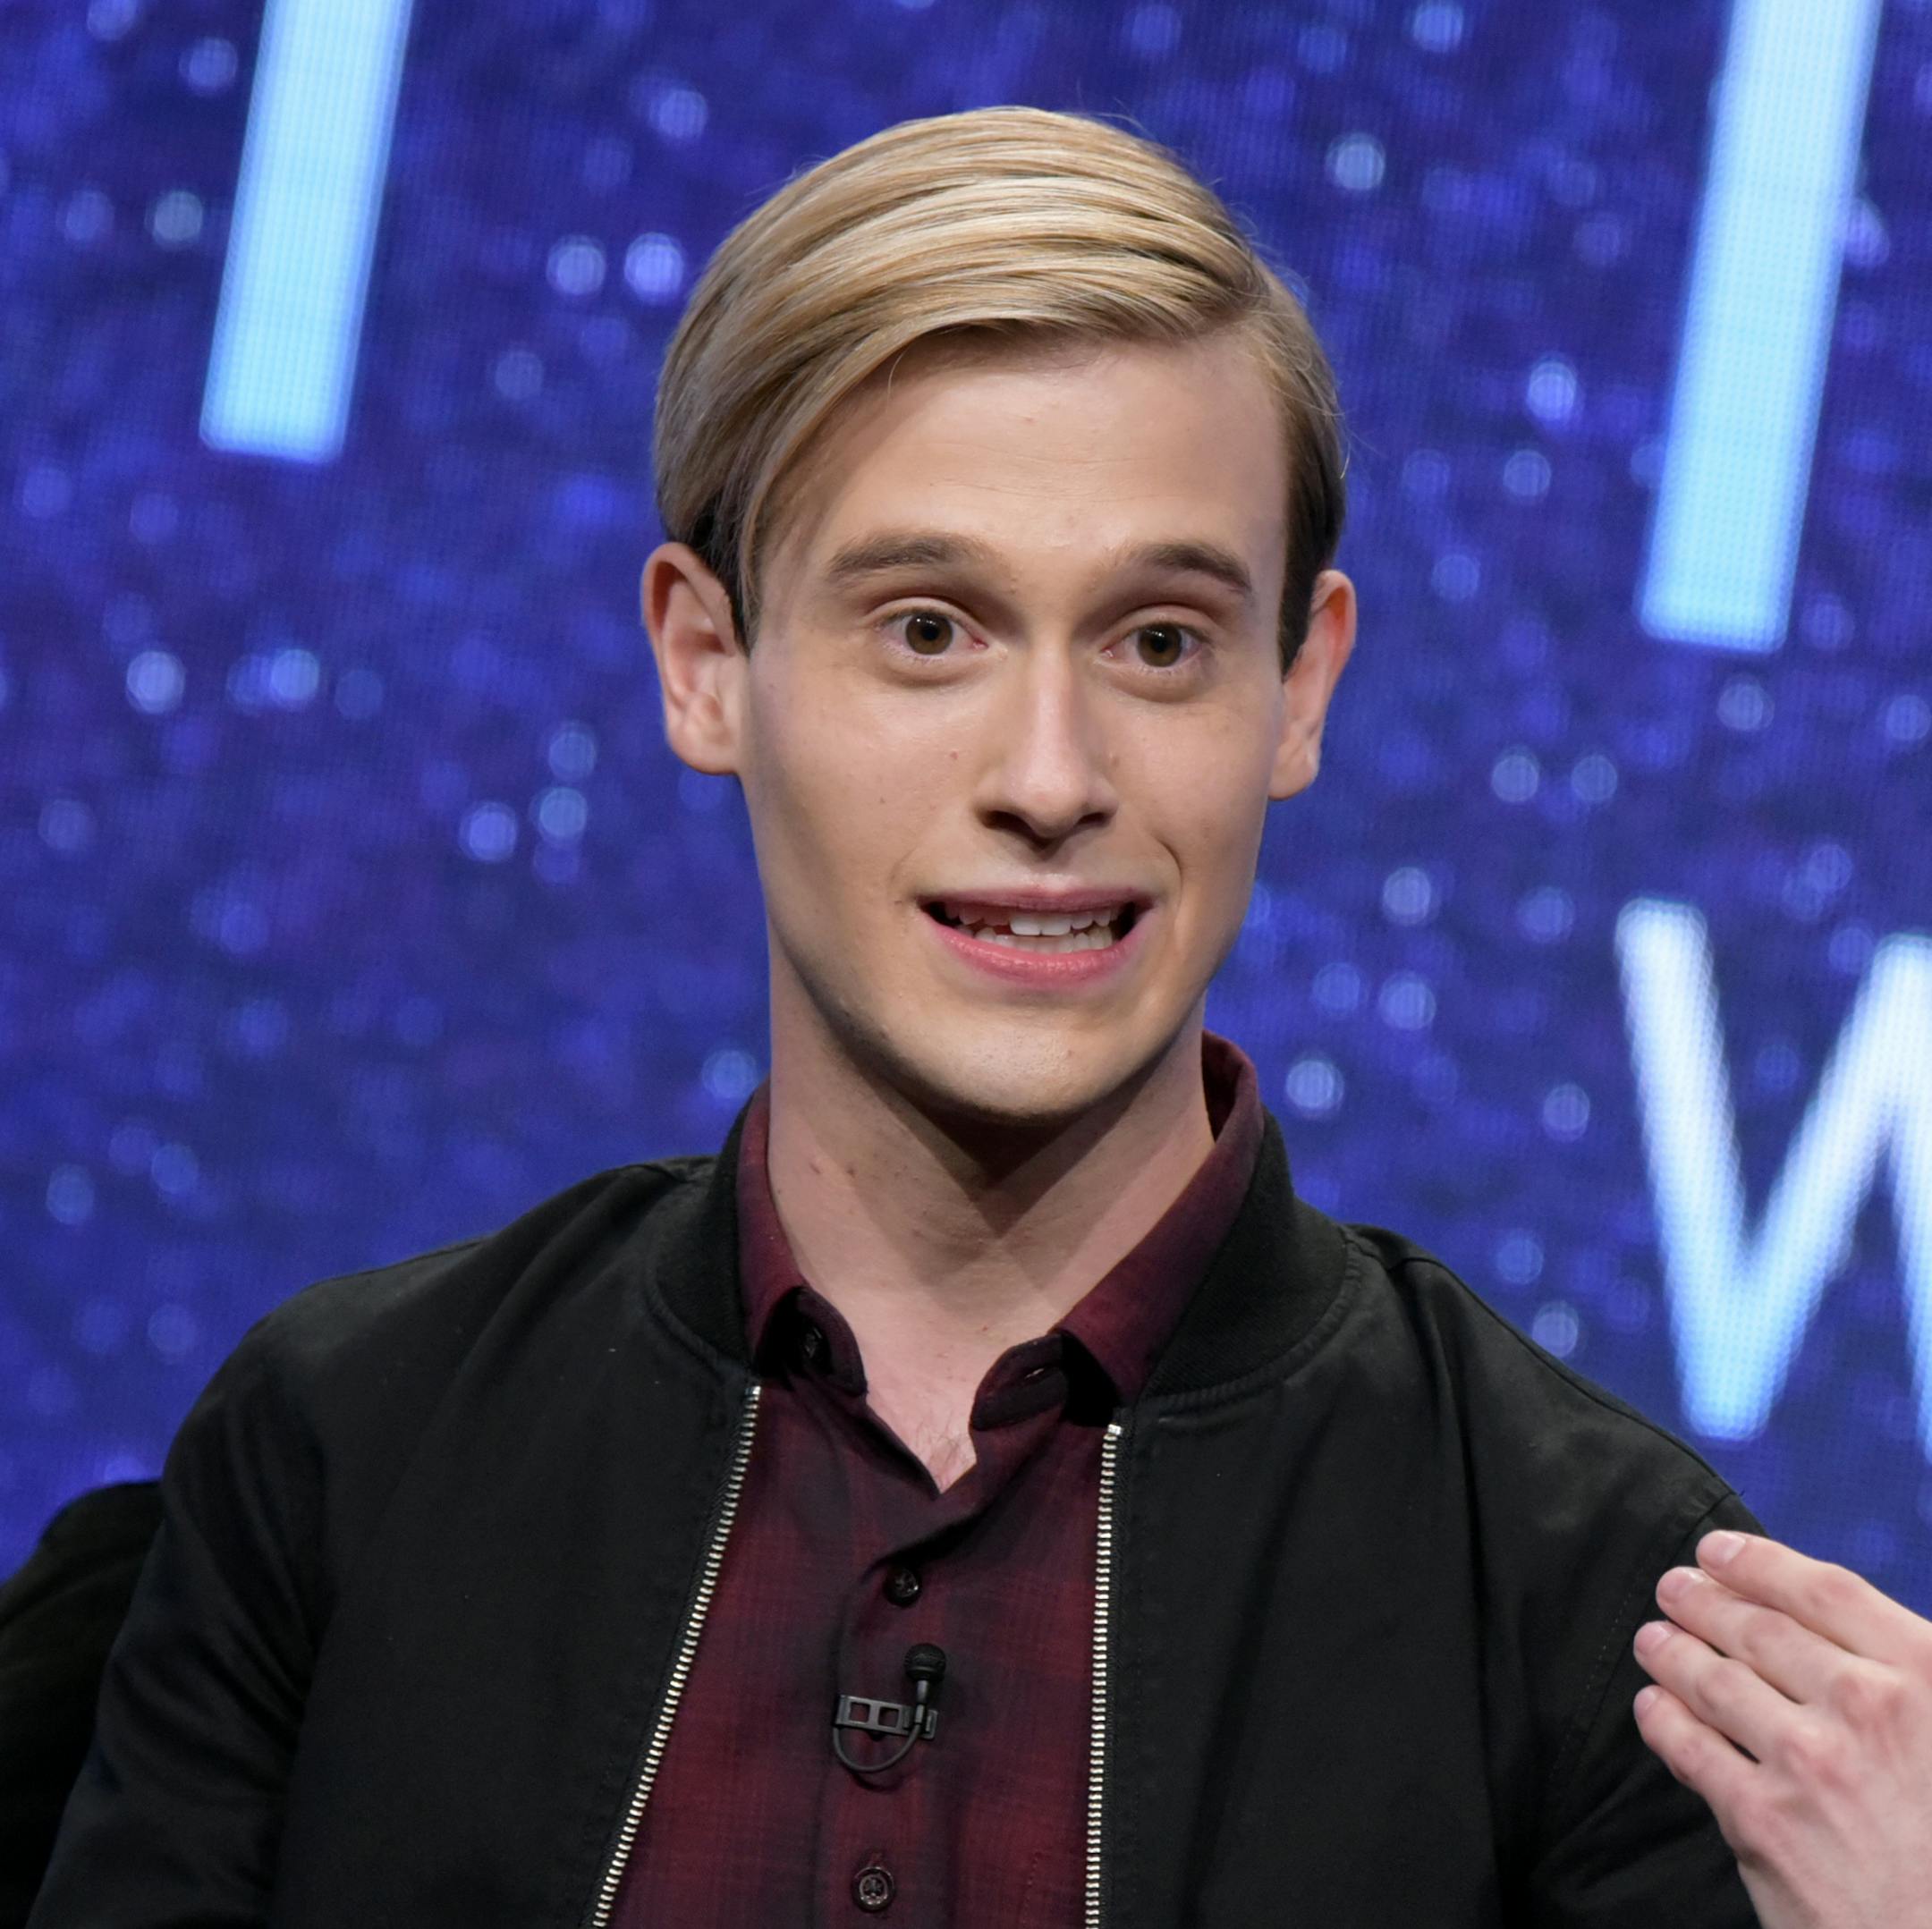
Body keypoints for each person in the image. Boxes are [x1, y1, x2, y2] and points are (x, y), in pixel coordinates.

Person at [27, 106, 1932, 1928]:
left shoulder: (1588, 1591)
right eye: (928, 627)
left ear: (1299, 685)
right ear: (707, 663)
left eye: (1160, 640)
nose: (1049, 772)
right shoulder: (347, 1460)